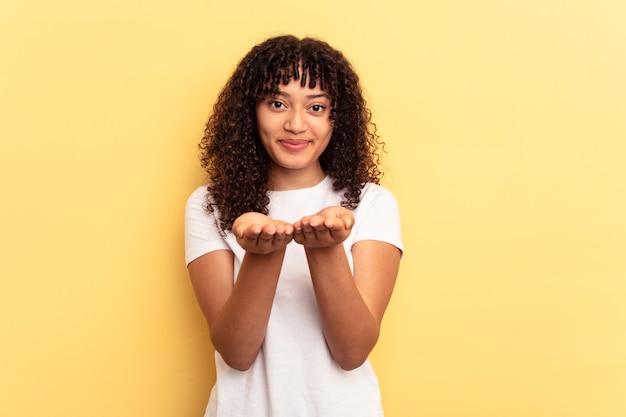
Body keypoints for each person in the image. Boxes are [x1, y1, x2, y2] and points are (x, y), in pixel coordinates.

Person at [185, 35, 403, 417]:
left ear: (338, 118)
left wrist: (325, 248)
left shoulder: (370, 203)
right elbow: (236, 353)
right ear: (250, 111)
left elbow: (352, 352)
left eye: (316, 107)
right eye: (277, 103)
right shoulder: (210, 205)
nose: (296, 124)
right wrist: (263, 253)